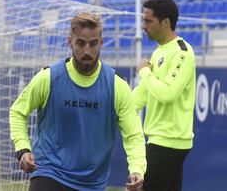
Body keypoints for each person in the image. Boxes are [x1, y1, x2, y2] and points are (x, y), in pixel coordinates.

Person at [9, 12, 146, 191]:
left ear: (101, 43)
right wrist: (23, 149)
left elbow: (134, 135)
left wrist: (137, 169)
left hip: (92, 184)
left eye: (93, 43)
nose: (87, 51)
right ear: (70, 41)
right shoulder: (49, 77)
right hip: (49, 173)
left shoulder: (117, 86)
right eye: (81, 43)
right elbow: (17, 112)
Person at [133, 0, 196, 191]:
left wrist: (144, 71)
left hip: (168, 142)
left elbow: (168, 94)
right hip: (160, 140)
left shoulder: (182, 53)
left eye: (148, 20)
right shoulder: (159, 52)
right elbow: (144, 93)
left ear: (166, 22)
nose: (143, 26)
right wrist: (118, 109)